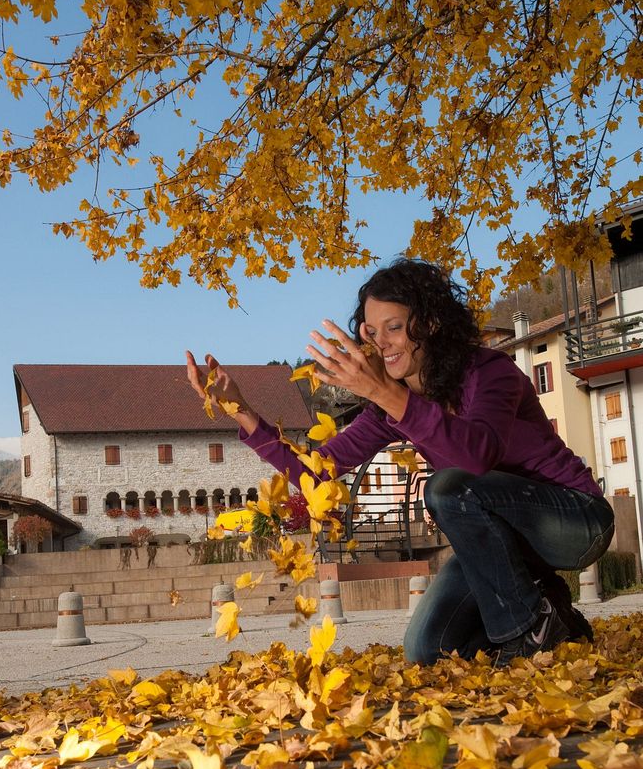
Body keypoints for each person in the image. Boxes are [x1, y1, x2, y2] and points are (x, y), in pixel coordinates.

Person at [185, 258, 614, 666]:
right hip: (505, 547)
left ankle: (527, 634)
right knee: (428, 648)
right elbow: (316, 473)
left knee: (446, 488)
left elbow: (478, 457)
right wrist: (241, 411)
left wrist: (386, 396)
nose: (380, 343)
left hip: (574, 519)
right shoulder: (390, 409)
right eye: (370, 332)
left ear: (429, 324)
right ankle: (554, 617)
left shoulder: (488, 372)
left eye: (394, 327)